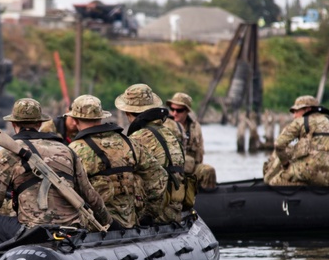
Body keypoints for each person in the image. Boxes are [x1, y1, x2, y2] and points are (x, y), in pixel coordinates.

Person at [0, 98, 112, 250]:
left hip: (31, 232)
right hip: (71, 229)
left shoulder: (7, 153)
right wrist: (110, 224)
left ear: (13, 124)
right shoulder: (67, 150)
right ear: (39, 123)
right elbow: (90, 196)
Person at [115, 83, 186, 224]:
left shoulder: (138, 138)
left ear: (128, 113)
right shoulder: (169, 133)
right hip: (175, 209)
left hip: (155, 214)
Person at [66, 94, 140, 229]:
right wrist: (148, 214)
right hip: (131, 222)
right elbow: (158, 174)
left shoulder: (75, 149)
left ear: (75, 120)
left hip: (97, 228)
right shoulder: (128, 142)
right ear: (100, 117)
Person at [264, 95, 329, 187]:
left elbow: (279, 144)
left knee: (272, 181)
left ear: (307, 109)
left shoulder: (300, 122)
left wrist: (285, 163)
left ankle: (299, 186)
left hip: (306, 175)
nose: (294, 115)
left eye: (296, 111)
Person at [167, 91, 217, 191]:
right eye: (172, 109)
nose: (174, 113)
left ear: (187, 111)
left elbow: (200, 152)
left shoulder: (195, 127)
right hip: (171, 169)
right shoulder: (164, 125)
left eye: (179, 110)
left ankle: (205, 198)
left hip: (192, 167)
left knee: (208, 171)